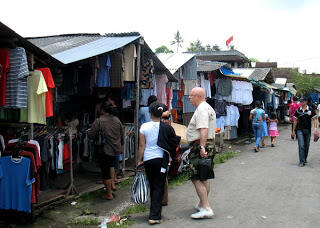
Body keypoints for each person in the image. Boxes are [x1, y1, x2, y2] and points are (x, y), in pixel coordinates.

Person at [138, 102, 179, 225]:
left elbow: (141, 146)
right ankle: (155, 216)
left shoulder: (144, 127)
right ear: (162, 114)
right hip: (161, 160)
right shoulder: (167, 127)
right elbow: (174, 143)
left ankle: (154, 212)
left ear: (150, 113)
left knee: (153, 185)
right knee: (158, 186)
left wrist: (140, 160)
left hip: (148, 159)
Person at [186, 87, 216, 219]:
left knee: (196, 177)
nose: (189, 98)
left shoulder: (202, 108)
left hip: (201, 145)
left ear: (198, 96)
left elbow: (204, 128)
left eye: (191, 96)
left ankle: (206, 207)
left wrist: (201, 147)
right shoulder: (206, 107)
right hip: (206, 144)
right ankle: (202, 204)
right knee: (204, 176)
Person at [87, 101, 124, 200]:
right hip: (115, 149)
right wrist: (122, 146)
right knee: (111, 166)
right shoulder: (117, 120)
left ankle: (109, 194)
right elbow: (122, 134)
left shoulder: (99, 121)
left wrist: (88, 132)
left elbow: (91, 135)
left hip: (104, 150)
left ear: (102, 109)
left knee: (105, 172)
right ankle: (112, 185)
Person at [292, 97, 318, 167]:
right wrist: (293, 131)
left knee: (306, 145)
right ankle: (301, 161)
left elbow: (315, 119)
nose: (301, 103)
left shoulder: (310, 110)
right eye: (300, 101)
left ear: (306, 102)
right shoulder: (298, 111)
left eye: (302, 101)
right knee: (301, 145)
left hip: (307, 130)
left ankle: (304, 158)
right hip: (299, 129)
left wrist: (315, 129)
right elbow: (295, 121)